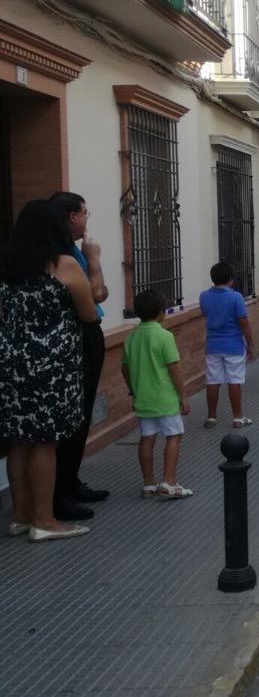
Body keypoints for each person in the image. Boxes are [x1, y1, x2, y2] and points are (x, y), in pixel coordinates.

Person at [1, 199, 96, 541]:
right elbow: (89, 313)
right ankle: (45, 521)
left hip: (11, 362)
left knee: (19, 441)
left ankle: (21, 516)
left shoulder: (8, 267)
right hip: (51, 366)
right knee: (45, 441)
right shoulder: (63, 265)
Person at [49, 192, 110, 520]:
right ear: (72, 216)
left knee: (81, 413)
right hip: (79, 336)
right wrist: (95, 258)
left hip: (86, 334)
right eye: (85, 213)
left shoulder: (72, 250)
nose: (87, 219)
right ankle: (60, 491)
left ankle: (70, 481)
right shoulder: (66, 255)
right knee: (74, 414)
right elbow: (97, 292)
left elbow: (102, 292)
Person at [122, 289, 193, 499]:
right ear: (161, 312)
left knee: (147, 439)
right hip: (165, 398)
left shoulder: (131, 338)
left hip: (143, 398)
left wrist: (133, 390)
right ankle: (169, 481)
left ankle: (149, 483)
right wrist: (183, 396)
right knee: (174, 436)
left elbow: (125, 368)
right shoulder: (164, 336)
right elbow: (174, 368)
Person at [199, 262, 255, 428]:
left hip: (212, 345)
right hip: (233, 345)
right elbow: (244, 323)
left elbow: (205, 314)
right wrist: (251, 345)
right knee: (234, 380)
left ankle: (211, 417)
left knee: (212, 380)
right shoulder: (236, 297)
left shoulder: (204, 296)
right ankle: (237, 417)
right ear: (230, 279)